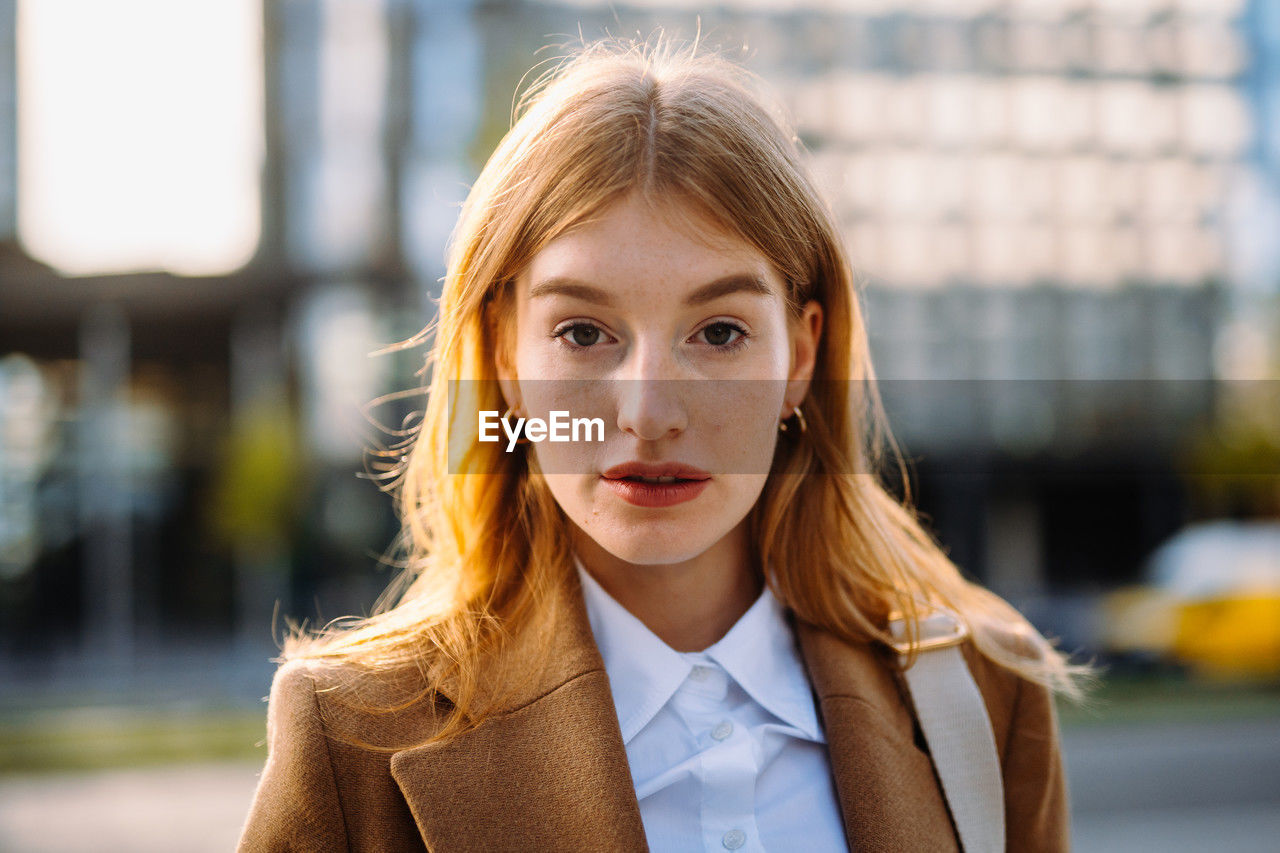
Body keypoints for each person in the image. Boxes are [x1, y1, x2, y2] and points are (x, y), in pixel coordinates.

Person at [238, 35, 1093, 853]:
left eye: (719, 333)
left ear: (799, 357)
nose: (649, 412)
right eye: (582, 332)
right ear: (503, 355)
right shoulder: (349, 737)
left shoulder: (983, 693)